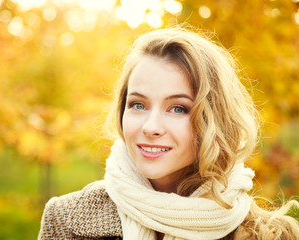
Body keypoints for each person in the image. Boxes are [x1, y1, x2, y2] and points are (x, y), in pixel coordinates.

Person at [38, 27, 299, 240]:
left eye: (178, 108)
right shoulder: (67, 219)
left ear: (214, 119)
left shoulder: (271, 235)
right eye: (138, 104)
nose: (150, 127)